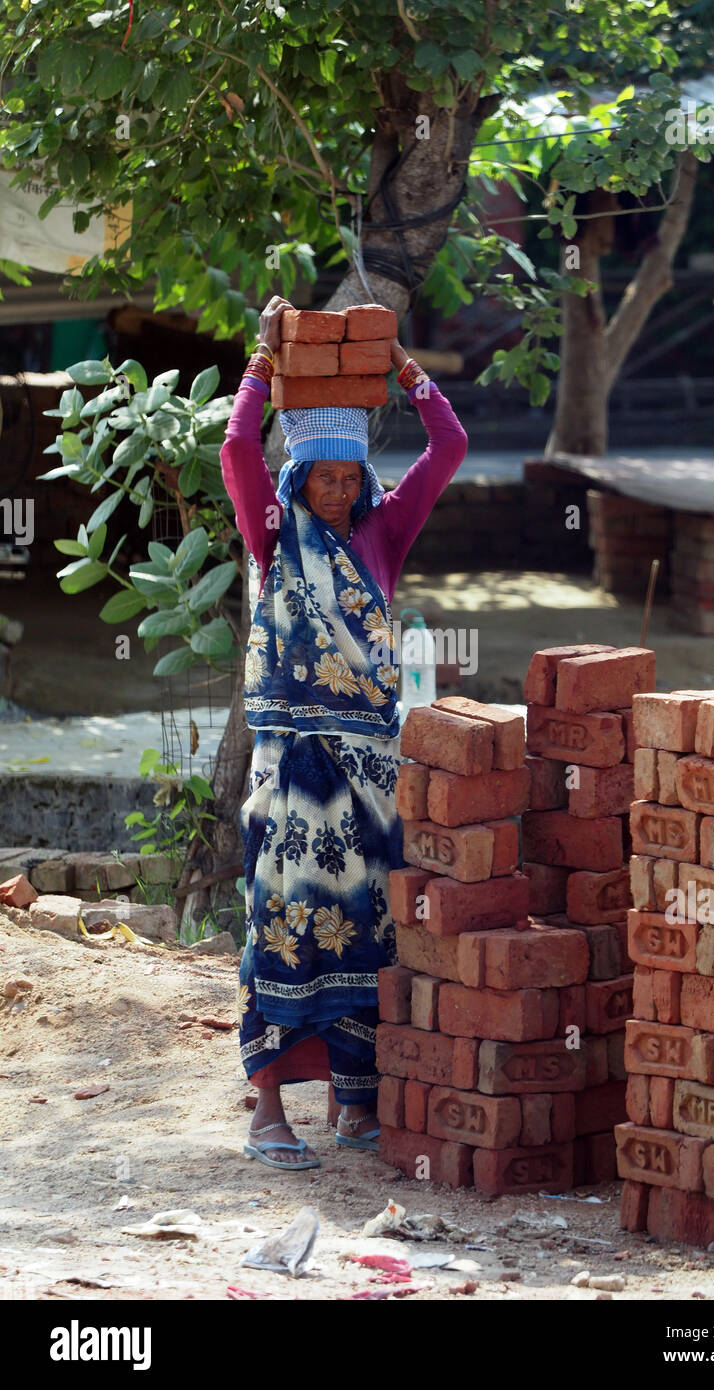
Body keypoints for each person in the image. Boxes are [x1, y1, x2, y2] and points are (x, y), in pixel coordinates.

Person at [219, 294, 468, 1169]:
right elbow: (235, 447)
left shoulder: (383, 532)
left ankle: (355, 1106)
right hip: (293, 774)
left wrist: (404, 367)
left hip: (369, 770)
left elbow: (452, 448)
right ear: (298, 477)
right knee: (284, 929)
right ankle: (266, 1113)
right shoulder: (273, 533)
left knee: (368, 931)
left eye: (349, 476)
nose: (337, 490)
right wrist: (259, 363)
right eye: (323, 475)